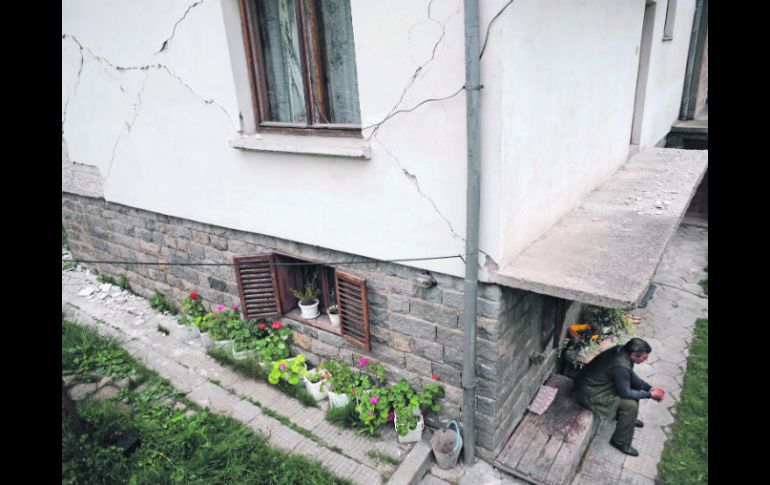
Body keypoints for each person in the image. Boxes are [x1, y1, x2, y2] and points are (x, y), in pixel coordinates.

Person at [574, 337, 665, 456]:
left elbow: (630, 376)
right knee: (630, 406)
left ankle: (627, 419)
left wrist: (649, 388)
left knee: (635, 389)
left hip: (595, 385)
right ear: (633, 355)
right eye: (644, 357)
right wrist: (649, 395)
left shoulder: (621, 351)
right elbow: (625, 393)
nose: (646, 359)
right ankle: (620, 441)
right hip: (590, 393)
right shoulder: (620, 365)